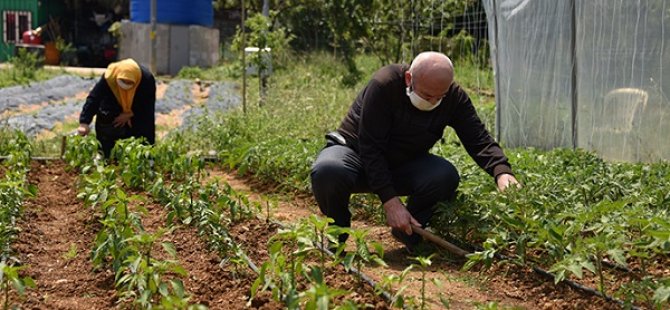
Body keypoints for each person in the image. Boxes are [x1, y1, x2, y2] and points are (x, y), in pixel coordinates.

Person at [310, 51, 520, 251]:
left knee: (444, 176)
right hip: (356, 157)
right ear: (409, 79)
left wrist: (502, 172)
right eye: (427, 95)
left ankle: (410, 231)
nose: (433, 102)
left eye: (440, 97)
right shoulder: (385, 85)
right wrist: (390, 202)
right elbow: (370, 147)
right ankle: (336, 236)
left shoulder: (453, 98)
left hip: (401, 166)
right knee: (329, 170)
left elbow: (478, 138)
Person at [77, 58, 156, 158]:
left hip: (137, 109)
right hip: (114, 106)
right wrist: (84, 122)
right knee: (108, 132)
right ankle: (107, 157)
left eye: (129, 83)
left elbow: (147, 105)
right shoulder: (110, 77)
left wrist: (130, 113)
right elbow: (94, 98)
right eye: (123, 81)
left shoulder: (145, 79)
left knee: (142, 137)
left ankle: (144, 161)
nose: (125, 85)